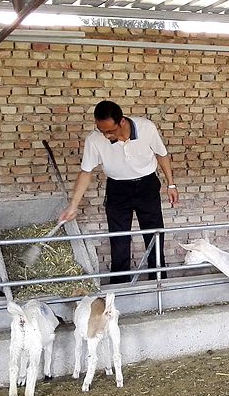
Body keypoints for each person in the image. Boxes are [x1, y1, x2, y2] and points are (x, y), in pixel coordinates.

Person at [60, 100, 179, 283]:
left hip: (147, 186)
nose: (106, 136)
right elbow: (86, 172)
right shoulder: (94, 139)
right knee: (119, 241)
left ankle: (158, 283)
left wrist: (171, 185)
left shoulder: (146, 128)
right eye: (102, 131)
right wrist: (73, 205)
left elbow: (161, 154)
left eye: (110, 131)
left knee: (154, 236)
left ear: (122, 121)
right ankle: (120, 289)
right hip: (117, 189)